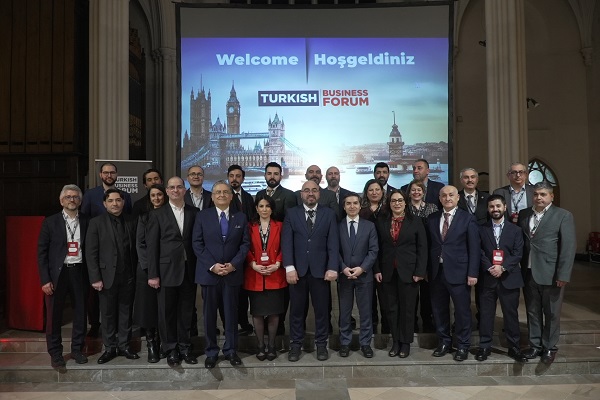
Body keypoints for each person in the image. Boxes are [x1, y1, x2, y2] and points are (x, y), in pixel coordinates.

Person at [193, 180, 250, 369]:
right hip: (209, 275)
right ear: (212, 196)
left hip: (232, 274)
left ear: (231, 196)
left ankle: (231, 350)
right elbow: (197, 244)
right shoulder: (202, 216)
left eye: (226, 192)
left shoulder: (240, 217)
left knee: (231, 315)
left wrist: (233, 265)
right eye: (218, 192)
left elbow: (245, 244)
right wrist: (212, 266)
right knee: (209, 316)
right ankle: (211, 352)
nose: (222, 195)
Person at [518, 181, 576, 364]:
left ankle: (550, 347)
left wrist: (563, 274)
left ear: (551, 196)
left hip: (551, 273)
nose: (538, 198)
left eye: (543, 194)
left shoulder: (563, 215)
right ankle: (535, 345)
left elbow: (568, 247)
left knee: (551, 313)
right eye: (535, 194)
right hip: (528, 271)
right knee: (532, 311)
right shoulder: (524, 214)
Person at [283, 180, 339, 362]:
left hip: (321, 272)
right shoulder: (292, 213)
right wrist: (289, 267)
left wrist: (332, 267)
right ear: (301, 194)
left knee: (322, 311)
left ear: (319, 194)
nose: (310, 193)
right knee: (297, 311)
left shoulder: (329, 214)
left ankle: (321, 345)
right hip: (297, 272)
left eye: (314, 190)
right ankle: (295, 345)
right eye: (306, 190)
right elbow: (286, 242)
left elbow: (333, 243)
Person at [146, 177, 199, 367]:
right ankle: (170, 349)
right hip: (165, 271)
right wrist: (153, 274)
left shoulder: (194, 212)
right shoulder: (157, 214)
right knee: (166, 312)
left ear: (184, 190)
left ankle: (185, 347)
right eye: (172, 187)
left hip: (189, 270)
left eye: (179, 187)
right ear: (167, 191)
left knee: (186, 312)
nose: (175, 190)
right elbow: (152, 246)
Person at [37, 184, 89, 368]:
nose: (72, 200)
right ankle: (55, 353)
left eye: (75, 197)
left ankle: (77, 349)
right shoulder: (50, 222)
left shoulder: (87, 220)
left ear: (80, 201)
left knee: (80, 313)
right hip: (57, 274)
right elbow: (41, 253)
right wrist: (45, 279)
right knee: (54, 315)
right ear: (61, 201)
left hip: (80, 272)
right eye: (68, 197)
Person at [427, 185, 480, 361]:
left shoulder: (468, 218)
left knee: (462, 311)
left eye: (451, 195)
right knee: (439, 309)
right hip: (437, 272)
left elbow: (474, 248)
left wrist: (473, 273)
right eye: (444, 195)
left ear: (458, 198)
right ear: (440, 198)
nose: (447, 198)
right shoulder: (432, 218)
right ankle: (444, 341)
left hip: (460, 272)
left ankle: (463, 345)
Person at [86, 189, 139, 364]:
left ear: (123, 202)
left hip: (128, 276)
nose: (115, 204)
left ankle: (124, 345)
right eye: (111, 201)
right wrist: (95, 278)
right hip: (105, 276)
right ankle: (109, 347)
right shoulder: (96, 223)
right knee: (107, 314)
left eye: (118, 200)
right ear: (104, 203)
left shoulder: (132, 220)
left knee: (126, 312)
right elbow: (91, 252)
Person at [81, 161, 133, 337]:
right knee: (102, 305)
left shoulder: (125, 196)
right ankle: (97, 328)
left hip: (124, 268)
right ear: (100, 175)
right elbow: (85, 220)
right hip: (102, 259)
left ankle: (122, 341)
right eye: (106, 172)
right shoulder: (90, 195)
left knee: (124, 308)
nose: (109, 175)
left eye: (112, 172)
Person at [374, 190, 427, 358]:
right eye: (393, 201)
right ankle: (395, 341)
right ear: (389, 204)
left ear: (405, 202)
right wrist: (377, 269)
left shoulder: (416, 221)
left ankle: (405, 343)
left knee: (408, 309)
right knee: (391, 309)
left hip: (409, 273)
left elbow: (422, 248)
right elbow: (376, 248)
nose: (397, 203)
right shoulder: (381, 221)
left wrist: (420, 271)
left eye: (400, 200)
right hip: (387, 272)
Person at [476, 194, 528, 363]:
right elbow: (479, 251)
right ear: (488, 209)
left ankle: (514, 347)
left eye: (498, 206)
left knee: (510, 314)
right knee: (486, 314)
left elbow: (518, 253)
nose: (495, 209)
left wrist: (502, 267)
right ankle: (484, 346)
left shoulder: (516, 230)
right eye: (492, 206)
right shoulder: (481, 229)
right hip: (488, 277)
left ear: (505, 207)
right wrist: (490, 267)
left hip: (509, 278)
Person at [255, 161, 297, 334]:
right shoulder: (259, 194)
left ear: (281, 175)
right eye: (269, 173)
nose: (272, 176)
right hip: (261, 251)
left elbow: (290, 223)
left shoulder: (289, 195)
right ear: (265, 175)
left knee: (281, 293)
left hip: (280, 246)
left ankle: (278, 325)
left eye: (276, 173)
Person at [244, 194, 287, 361]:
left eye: (267, 206)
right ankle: (260, 345)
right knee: (257, 313)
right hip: (255, 274)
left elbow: (285, 247)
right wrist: (252, 264)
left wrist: (278, 263)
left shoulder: (280, 226)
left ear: (272, 209)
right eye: (261, 206)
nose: (264, 209)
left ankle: (272, 345)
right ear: (256, 208)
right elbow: (245, 247)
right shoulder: (249, 226)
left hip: (275, 273)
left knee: (274, 313)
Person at [337, 193, 378, 358]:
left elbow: (373, 250)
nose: (352, 206)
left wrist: (362, 268)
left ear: (360, 206)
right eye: (348, 203)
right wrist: (343, 268)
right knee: (345, 312)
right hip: (344, 276)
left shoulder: (369, 226)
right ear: (344, 206)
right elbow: (334, 250)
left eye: (355, 203)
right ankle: (345, 343)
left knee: (365, 312)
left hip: (364, 276)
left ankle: (366, 343)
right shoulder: (338, 226)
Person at [134, 184, 167, 363]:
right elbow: (140, 244)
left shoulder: (170, 215)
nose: (156, 198)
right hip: (147, 270)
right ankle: (151, 344)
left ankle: (164, 342)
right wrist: (150, 269)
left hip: (167, 269)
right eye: (153, 195)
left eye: (159, 194)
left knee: (164, 308)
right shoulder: (143, 217)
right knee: (148, 309)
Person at [227, 164, 256, 336]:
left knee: (244, 290)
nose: (234, 179)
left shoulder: (248, 197)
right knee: (231, 292)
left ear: (243, 179)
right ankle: (230, 324)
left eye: (238, 176)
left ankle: (244, 322)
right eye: (231, 176)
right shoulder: (223, 195)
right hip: (230, 251)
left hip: (246, 249)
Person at [359, 179, 389, 335]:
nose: (374, 192)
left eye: (377, 189)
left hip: (385, 259)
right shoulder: (361, 212)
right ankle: (371, 329)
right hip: (365, 260)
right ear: (366, 192)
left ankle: (386, 330)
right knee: (368, 300)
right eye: (371, 190)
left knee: (385, 298)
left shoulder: (388, 210)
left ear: (382, 192)